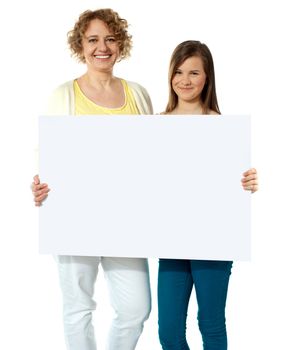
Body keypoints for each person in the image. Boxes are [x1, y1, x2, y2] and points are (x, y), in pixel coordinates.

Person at [31, 9, 152, 350]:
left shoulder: (138, 94)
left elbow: (156, 155)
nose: (103, 47)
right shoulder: (63, 94)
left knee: (136, 308)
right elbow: (48, 155)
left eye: (111, 39)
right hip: (74, 217)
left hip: (126, 220)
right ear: (80, 45)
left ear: (121, 44)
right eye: (93, 39)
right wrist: (38, 186)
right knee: (78, 309)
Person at [157, 40, 258, 350]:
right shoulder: (154, 125)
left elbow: (231, 184)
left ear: (207, 78)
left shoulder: (222, 127)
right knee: (169, 330)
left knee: (210, 323)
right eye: (178, 71)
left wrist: (248, 181)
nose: (184, 81)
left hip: (213, 240)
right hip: (170, 239)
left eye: (194, 73)